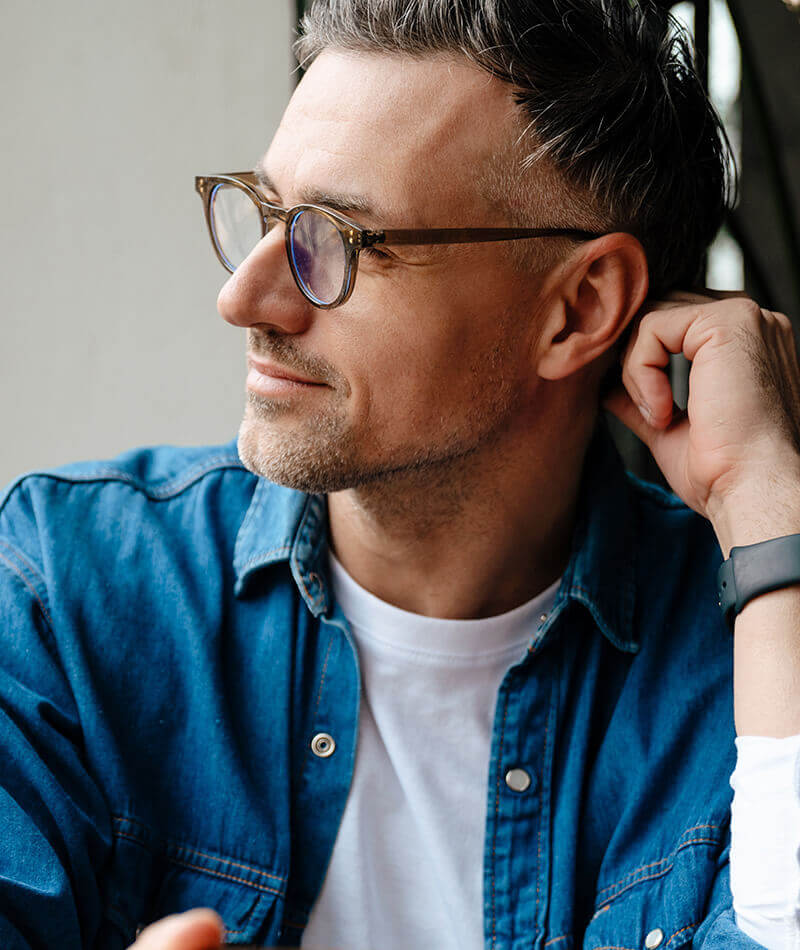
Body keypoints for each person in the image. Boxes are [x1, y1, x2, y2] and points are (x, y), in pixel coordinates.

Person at [2, 1, 800, 948]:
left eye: (334, 239)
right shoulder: (74, 591)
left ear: (580, 308)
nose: (243, 297)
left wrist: (769, 502)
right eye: (264, 214)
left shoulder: (747, 659)